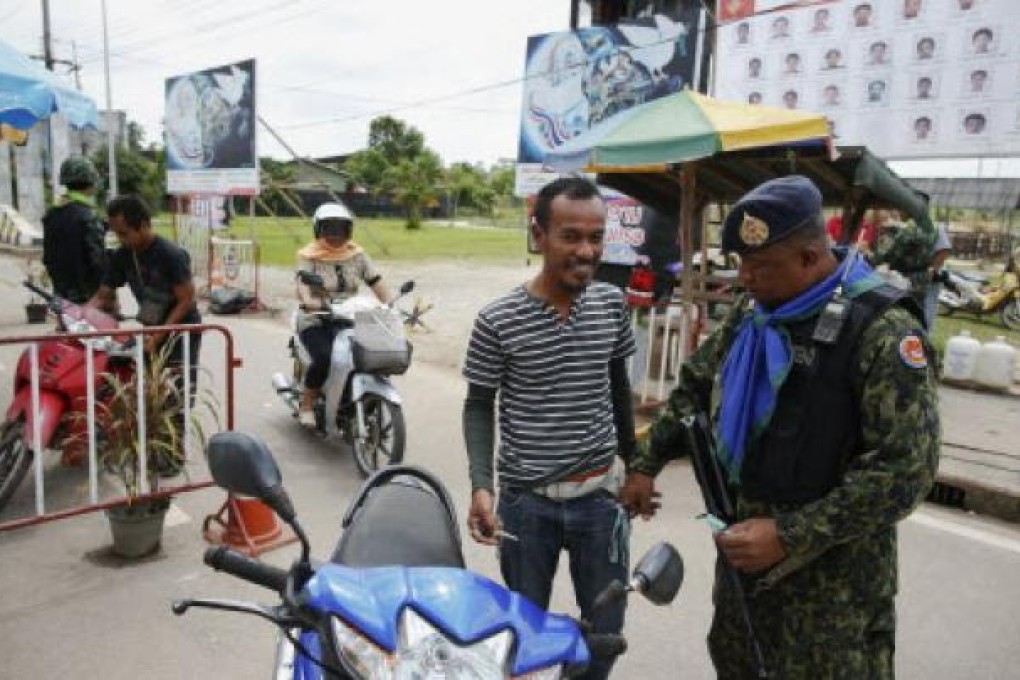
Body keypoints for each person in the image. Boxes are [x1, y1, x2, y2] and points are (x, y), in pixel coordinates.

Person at [620, 176, 940, 678]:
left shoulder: (883, 332)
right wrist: (646, 463)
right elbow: (696, 387)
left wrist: (790, 535)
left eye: (760, 266)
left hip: (832, 595)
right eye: (742, 263)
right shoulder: (757, 310)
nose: (745, 278)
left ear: (811, 258)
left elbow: (903, 474)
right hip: (744, 571)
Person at [463, 177, 636, 680]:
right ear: (538, 235)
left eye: (596, 237)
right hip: (525, 506)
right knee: (519, 636)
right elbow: (478, 406)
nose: (586, 251)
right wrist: (481, 486)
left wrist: (637, 468)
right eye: (570, 236)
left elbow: (618, 389)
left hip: (601, 501)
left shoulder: (610, 305)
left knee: (602, 638)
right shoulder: (498, 320)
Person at [87, 196, 202, 474]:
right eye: (116, 234)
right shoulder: (123, 256)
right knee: (145, 388)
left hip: (180, 330)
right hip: (152, 329)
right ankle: (145, 446)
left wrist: (159, 336)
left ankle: (172, 458)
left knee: (176, 390)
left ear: (144, 225)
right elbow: (103, 295)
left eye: (125, 233)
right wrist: (77, 316)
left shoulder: (170, 254)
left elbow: (187, 299)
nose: (121, 239)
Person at [293, 202, 391, 426]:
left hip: (350, 318)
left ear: (349, 230)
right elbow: (302, 283)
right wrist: (310, 301)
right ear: (318, 229)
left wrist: (390, 304)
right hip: (317, 318)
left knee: (371, 357)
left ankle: (359, 400)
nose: (336, 235)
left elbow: (375, 280)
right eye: (329, 228)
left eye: (341, 228)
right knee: (325, 358)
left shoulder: (356, 254)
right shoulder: (308, 256)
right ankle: (307, 405)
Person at [41, 156, 107, 304]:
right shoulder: (89, 216)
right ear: (90, 183)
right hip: (88, 298)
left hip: (61, 296)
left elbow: (48, 257)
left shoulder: (52, 214)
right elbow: (98, 261)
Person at [870, 210, 937, 317]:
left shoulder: (904, 230)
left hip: (903, 280)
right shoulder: (930, 228)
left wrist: (868, 256)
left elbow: (882, 257)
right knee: (916, 312)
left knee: (899, 313)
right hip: (922, 278)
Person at [924, 224, 953, 328]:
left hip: (930, 279)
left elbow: (944, 250)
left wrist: (933, 269)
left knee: (927, 308)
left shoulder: (935, 227)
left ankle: (924, 335)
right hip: (914, 279)